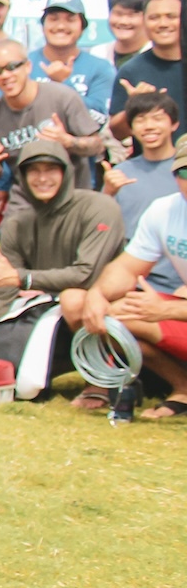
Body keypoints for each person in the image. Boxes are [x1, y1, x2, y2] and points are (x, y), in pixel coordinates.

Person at [0, 138, 121, 356]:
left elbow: (86, 274)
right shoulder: (16, 224)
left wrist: (22, 278)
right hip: (50, 315)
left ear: (65, 173)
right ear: (22, 177)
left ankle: (100, 378)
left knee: (73, 299)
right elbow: (2, 293)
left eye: (51, 169)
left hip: (106, 307)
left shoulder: (99, 207)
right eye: (34, 171)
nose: (42, 178)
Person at [80, 136, 187, 416]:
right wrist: (97, 294)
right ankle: (183, 389)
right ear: (174, 176)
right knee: (114, 315)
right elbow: (126, 268)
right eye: (185, 173)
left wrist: (166, 309)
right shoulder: (165, 210)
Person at [0, 40, 106, 209]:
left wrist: (69, 142)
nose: (5, 75)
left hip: (74, 199)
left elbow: (97, 146)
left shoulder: (63, 97)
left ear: (28, 67)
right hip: (26, 204)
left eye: (12, 67)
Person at [105, 94, 182, 296]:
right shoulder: (119, 173)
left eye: (157, 118)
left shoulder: (182, 170)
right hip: (133, 281)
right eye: (140, 120)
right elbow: (102, 228)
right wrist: (108, 192)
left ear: (174, 124)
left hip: (179, 283)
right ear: (131, 128)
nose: (148, 126)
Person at [109, 0, 184, 140]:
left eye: (171, 17)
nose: (163, 24)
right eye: (154, 18)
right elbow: (118, 133)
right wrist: (135, 105)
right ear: (144, 22)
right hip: (152, 161)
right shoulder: (131, 70)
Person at [34, 0, 113, 115]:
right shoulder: (23, 64)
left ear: (82, 27)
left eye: (70, 20)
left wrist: (63, 83)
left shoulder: (101, 68)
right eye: (53, 19)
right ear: (43, 25)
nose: (60, 26)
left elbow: (98, 119)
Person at [92, 0, 147, 67]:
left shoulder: (159, 55)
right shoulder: (98, 54)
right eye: (118, 14)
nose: (123, 22)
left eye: (131, 15)